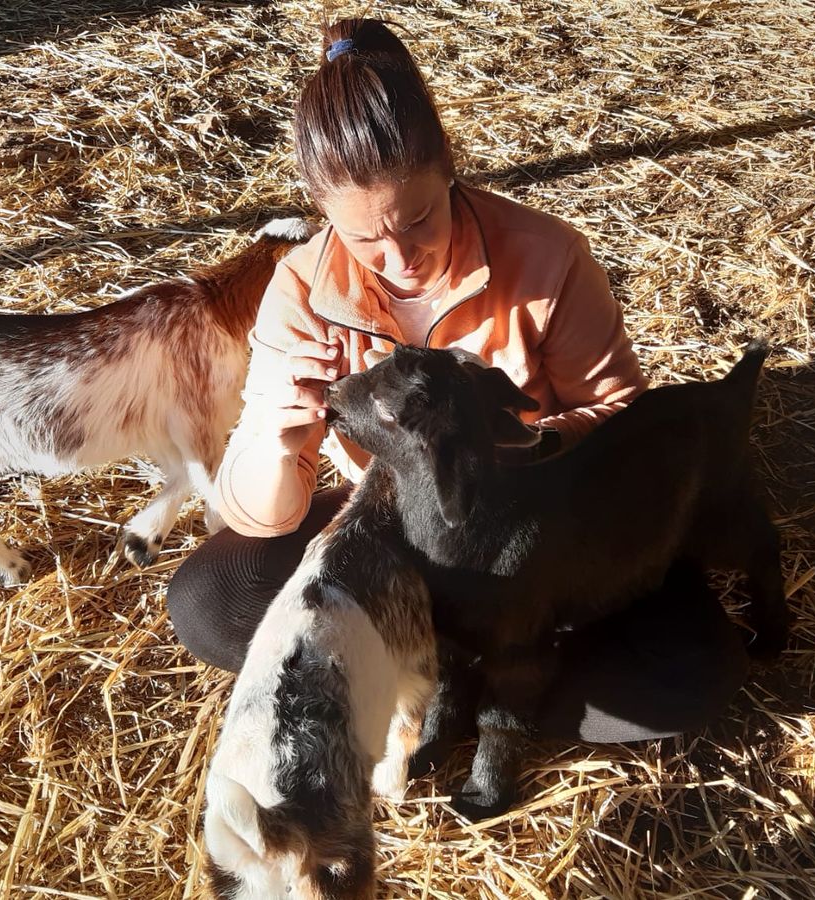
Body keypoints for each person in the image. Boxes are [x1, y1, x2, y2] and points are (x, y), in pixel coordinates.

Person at [167, 18, 749, 742]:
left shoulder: (547, 258)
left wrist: (516, 449)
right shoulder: (300, 289)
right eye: (363, 237)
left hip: (532, 535)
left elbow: (622, 414)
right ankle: (475, 678)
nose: (399, 257)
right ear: (321, 212)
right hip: (385, 527)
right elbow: (258, 514)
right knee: (212, 600)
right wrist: (277, 443)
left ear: (449, 167)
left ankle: (468, 675)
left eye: (417, 219)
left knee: (687, 680)